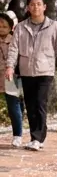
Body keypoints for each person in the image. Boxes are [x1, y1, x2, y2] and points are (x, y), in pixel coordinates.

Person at [5, 0, 57, 151]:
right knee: (30, 105)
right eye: (32, 4)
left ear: (44, 7)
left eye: (39, 4)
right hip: (27, 71)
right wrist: (10, 66)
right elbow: (13, 49)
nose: (36, 7)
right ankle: (37, 136)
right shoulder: (21, 27)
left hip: (45, 71)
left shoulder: (53, 26)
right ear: (28, 7)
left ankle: (37, 137)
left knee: (40, 103)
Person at [0, 14, 24, 148]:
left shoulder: (15, 40)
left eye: (4, 26)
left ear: (10, 28)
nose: (1, 29)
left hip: (12, 76)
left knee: (13, 105)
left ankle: (17, 135)